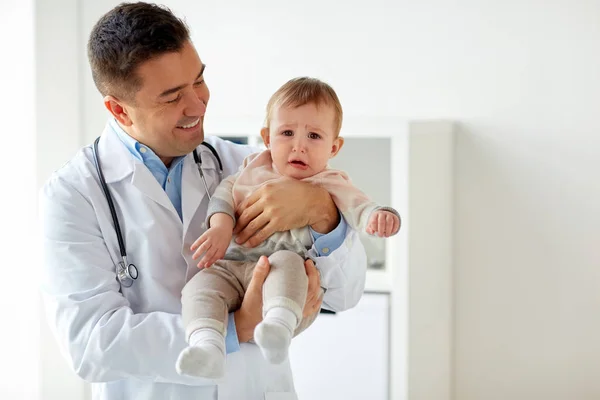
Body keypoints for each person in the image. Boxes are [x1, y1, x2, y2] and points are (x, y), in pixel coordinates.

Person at [39, 3, 367, 400]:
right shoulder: (73, 195)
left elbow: (344, 295)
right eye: (172, 96)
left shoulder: (246, 166)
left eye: (199, 80)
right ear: (118, 110)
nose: (197, 105)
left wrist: (321, 211)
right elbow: (92, 344)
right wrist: (238, 326)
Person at [176, 77, 401, 379]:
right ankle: (206, 346)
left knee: (287, 263)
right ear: (266, 138)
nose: (299, 146)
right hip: (231, 267)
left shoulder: (330, 182)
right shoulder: (251, 168)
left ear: (334, 147)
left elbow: (359, 206)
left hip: (286, 277)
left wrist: (377, 215)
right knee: (200, 286)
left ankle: (277, 328)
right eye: (287, 133)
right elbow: (224, 198)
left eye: (314, 136)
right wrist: (219, 227)